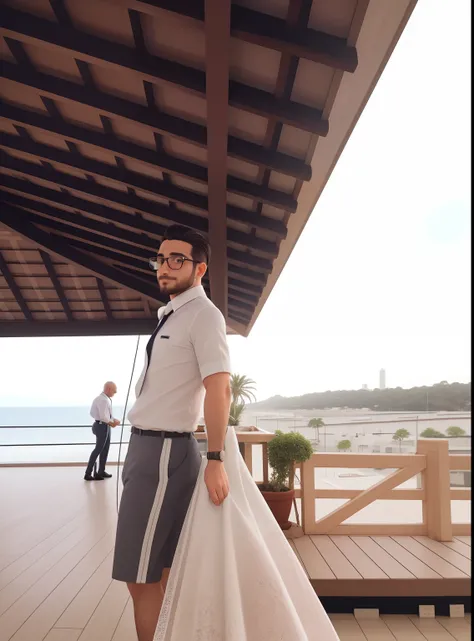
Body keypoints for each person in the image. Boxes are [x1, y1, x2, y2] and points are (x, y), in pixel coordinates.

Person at [112, 224, 231, 641]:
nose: (164, 267)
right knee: (157, 572)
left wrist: (216, 459)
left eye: (176, 259)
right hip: (147, 452)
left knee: (140, 578)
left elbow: (220, 385)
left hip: (163, 453)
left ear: (200, 269)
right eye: (160, 259)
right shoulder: (175, 314)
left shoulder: (203, 315)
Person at [84, 381, 120, 481]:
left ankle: (101, 471)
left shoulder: (104, 399)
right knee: (98, 450)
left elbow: (99, 414)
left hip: (103, 425)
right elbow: (104, 416)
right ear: (108, 389)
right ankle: (88, 473)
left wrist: (113, 420)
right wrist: (112, 422)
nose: (115, 393)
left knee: (105, 449)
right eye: (114, 390)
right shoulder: (103, 400)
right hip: (101, 426)